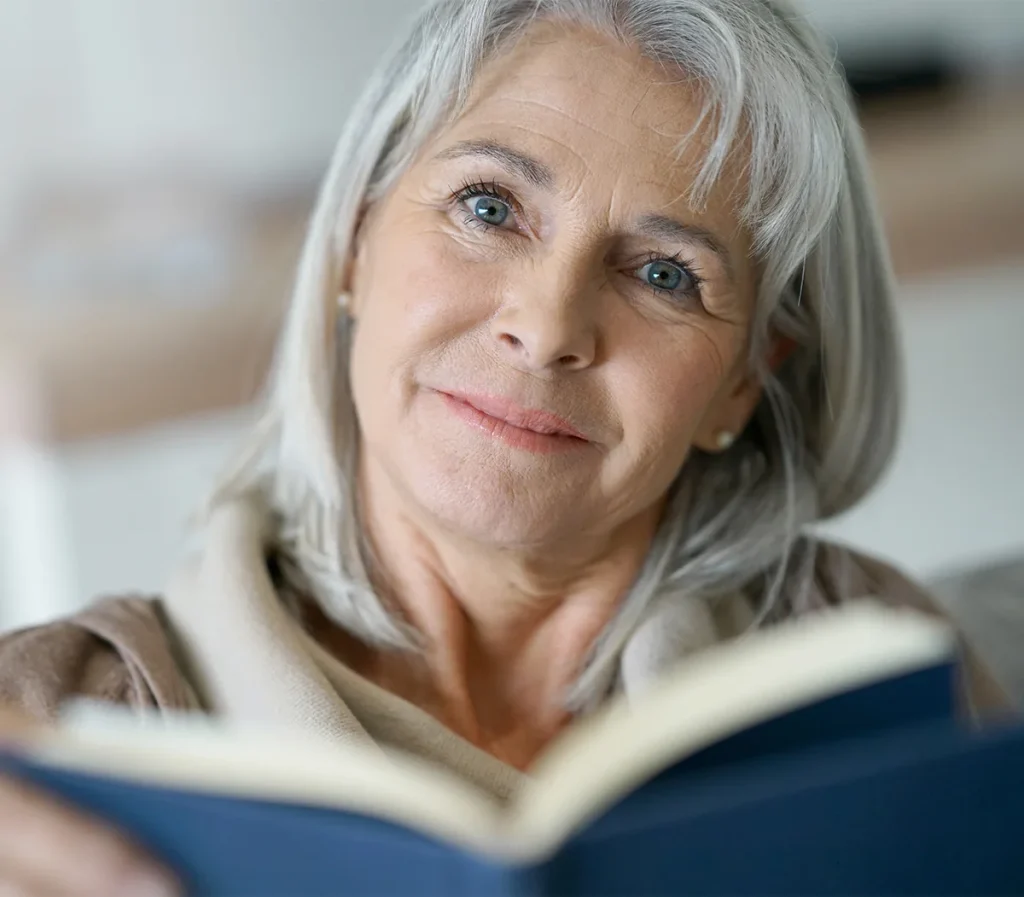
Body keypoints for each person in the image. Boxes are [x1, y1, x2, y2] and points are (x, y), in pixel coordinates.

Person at [0, 0, 1012, 893]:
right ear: (355, 243)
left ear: (744, 381)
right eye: (488, 207)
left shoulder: (870, 669)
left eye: (664, 274)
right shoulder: (51, 726)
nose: (548, 323)